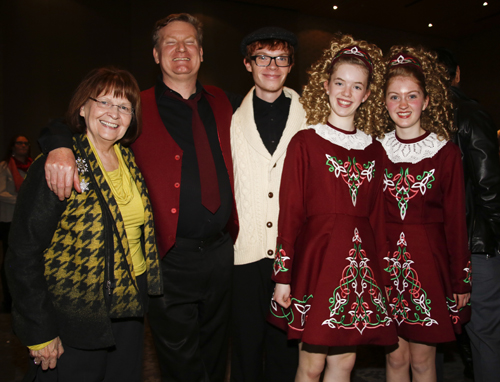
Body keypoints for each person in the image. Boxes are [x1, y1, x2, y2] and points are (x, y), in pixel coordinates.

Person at [38, 13, 239, 382]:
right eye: (170, 42)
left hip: (222, 253)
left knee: (215, 351)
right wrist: (58, 148)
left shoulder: (226, 102)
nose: (181, 49)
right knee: (181, 362)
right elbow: (67, 121)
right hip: (167, 259)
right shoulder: (135, 107)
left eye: (190, 41)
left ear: (202, 53)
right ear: (155, 54)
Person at [6, 67, 162, 382]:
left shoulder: (128, 159)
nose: (113, 114)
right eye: (103, 102)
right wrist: (39, 330)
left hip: (128, 308)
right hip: (75, 314)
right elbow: (24, 252)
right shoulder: (64, 163)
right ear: (83, 107)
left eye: (123, 107)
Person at [270, 34, 397, 382]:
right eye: (340, 83)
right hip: (316, 263)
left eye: (357, 87)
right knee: (310, 366)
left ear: (368, 95)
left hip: (360, 269)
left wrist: (382, 277)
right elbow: (290, 212)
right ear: (326, 86)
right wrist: (283, 276)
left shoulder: (375, 151)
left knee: (344, 365)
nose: (346, 92)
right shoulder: (305, 142)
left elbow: (377, 221)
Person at [379, 46, 471, 382]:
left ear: (427, 101)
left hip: (429, 268)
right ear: (385, 102)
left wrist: (461, 279)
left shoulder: (445, 154)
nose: (403, 105)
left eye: (412, 95)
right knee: (395, 361)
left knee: (422, 362)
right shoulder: (374, 151)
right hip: (386, 269)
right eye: (394, 96)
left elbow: (455, 222)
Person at [230, 27, 305, 382]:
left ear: (291, 65)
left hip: (295, 255)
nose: (272, 66)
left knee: (286, 353)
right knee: (245, 350)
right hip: (244, 255)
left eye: (281, 58)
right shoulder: (228, 115)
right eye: (262, 57)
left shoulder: (312, 117)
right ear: (248, 64)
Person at [436, 48, 500, 382]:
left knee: (432, 340)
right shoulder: (471, 114)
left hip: (442, 245)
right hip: (476, 245)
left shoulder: (418, 117)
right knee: (484, 336)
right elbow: (491, 188)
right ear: (457, 73)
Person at [0, 135, 32, 313]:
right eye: (19, 143)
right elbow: (1, 193)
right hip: (8, 219)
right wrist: (21, 200)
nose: (23, 146)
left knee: (25, 261)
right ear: (12, 146)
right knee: (9, 260)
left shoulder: (33, 165)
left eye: (26, 143)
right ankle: (8, 301)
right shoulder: (4, 167)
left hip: (27, 220)